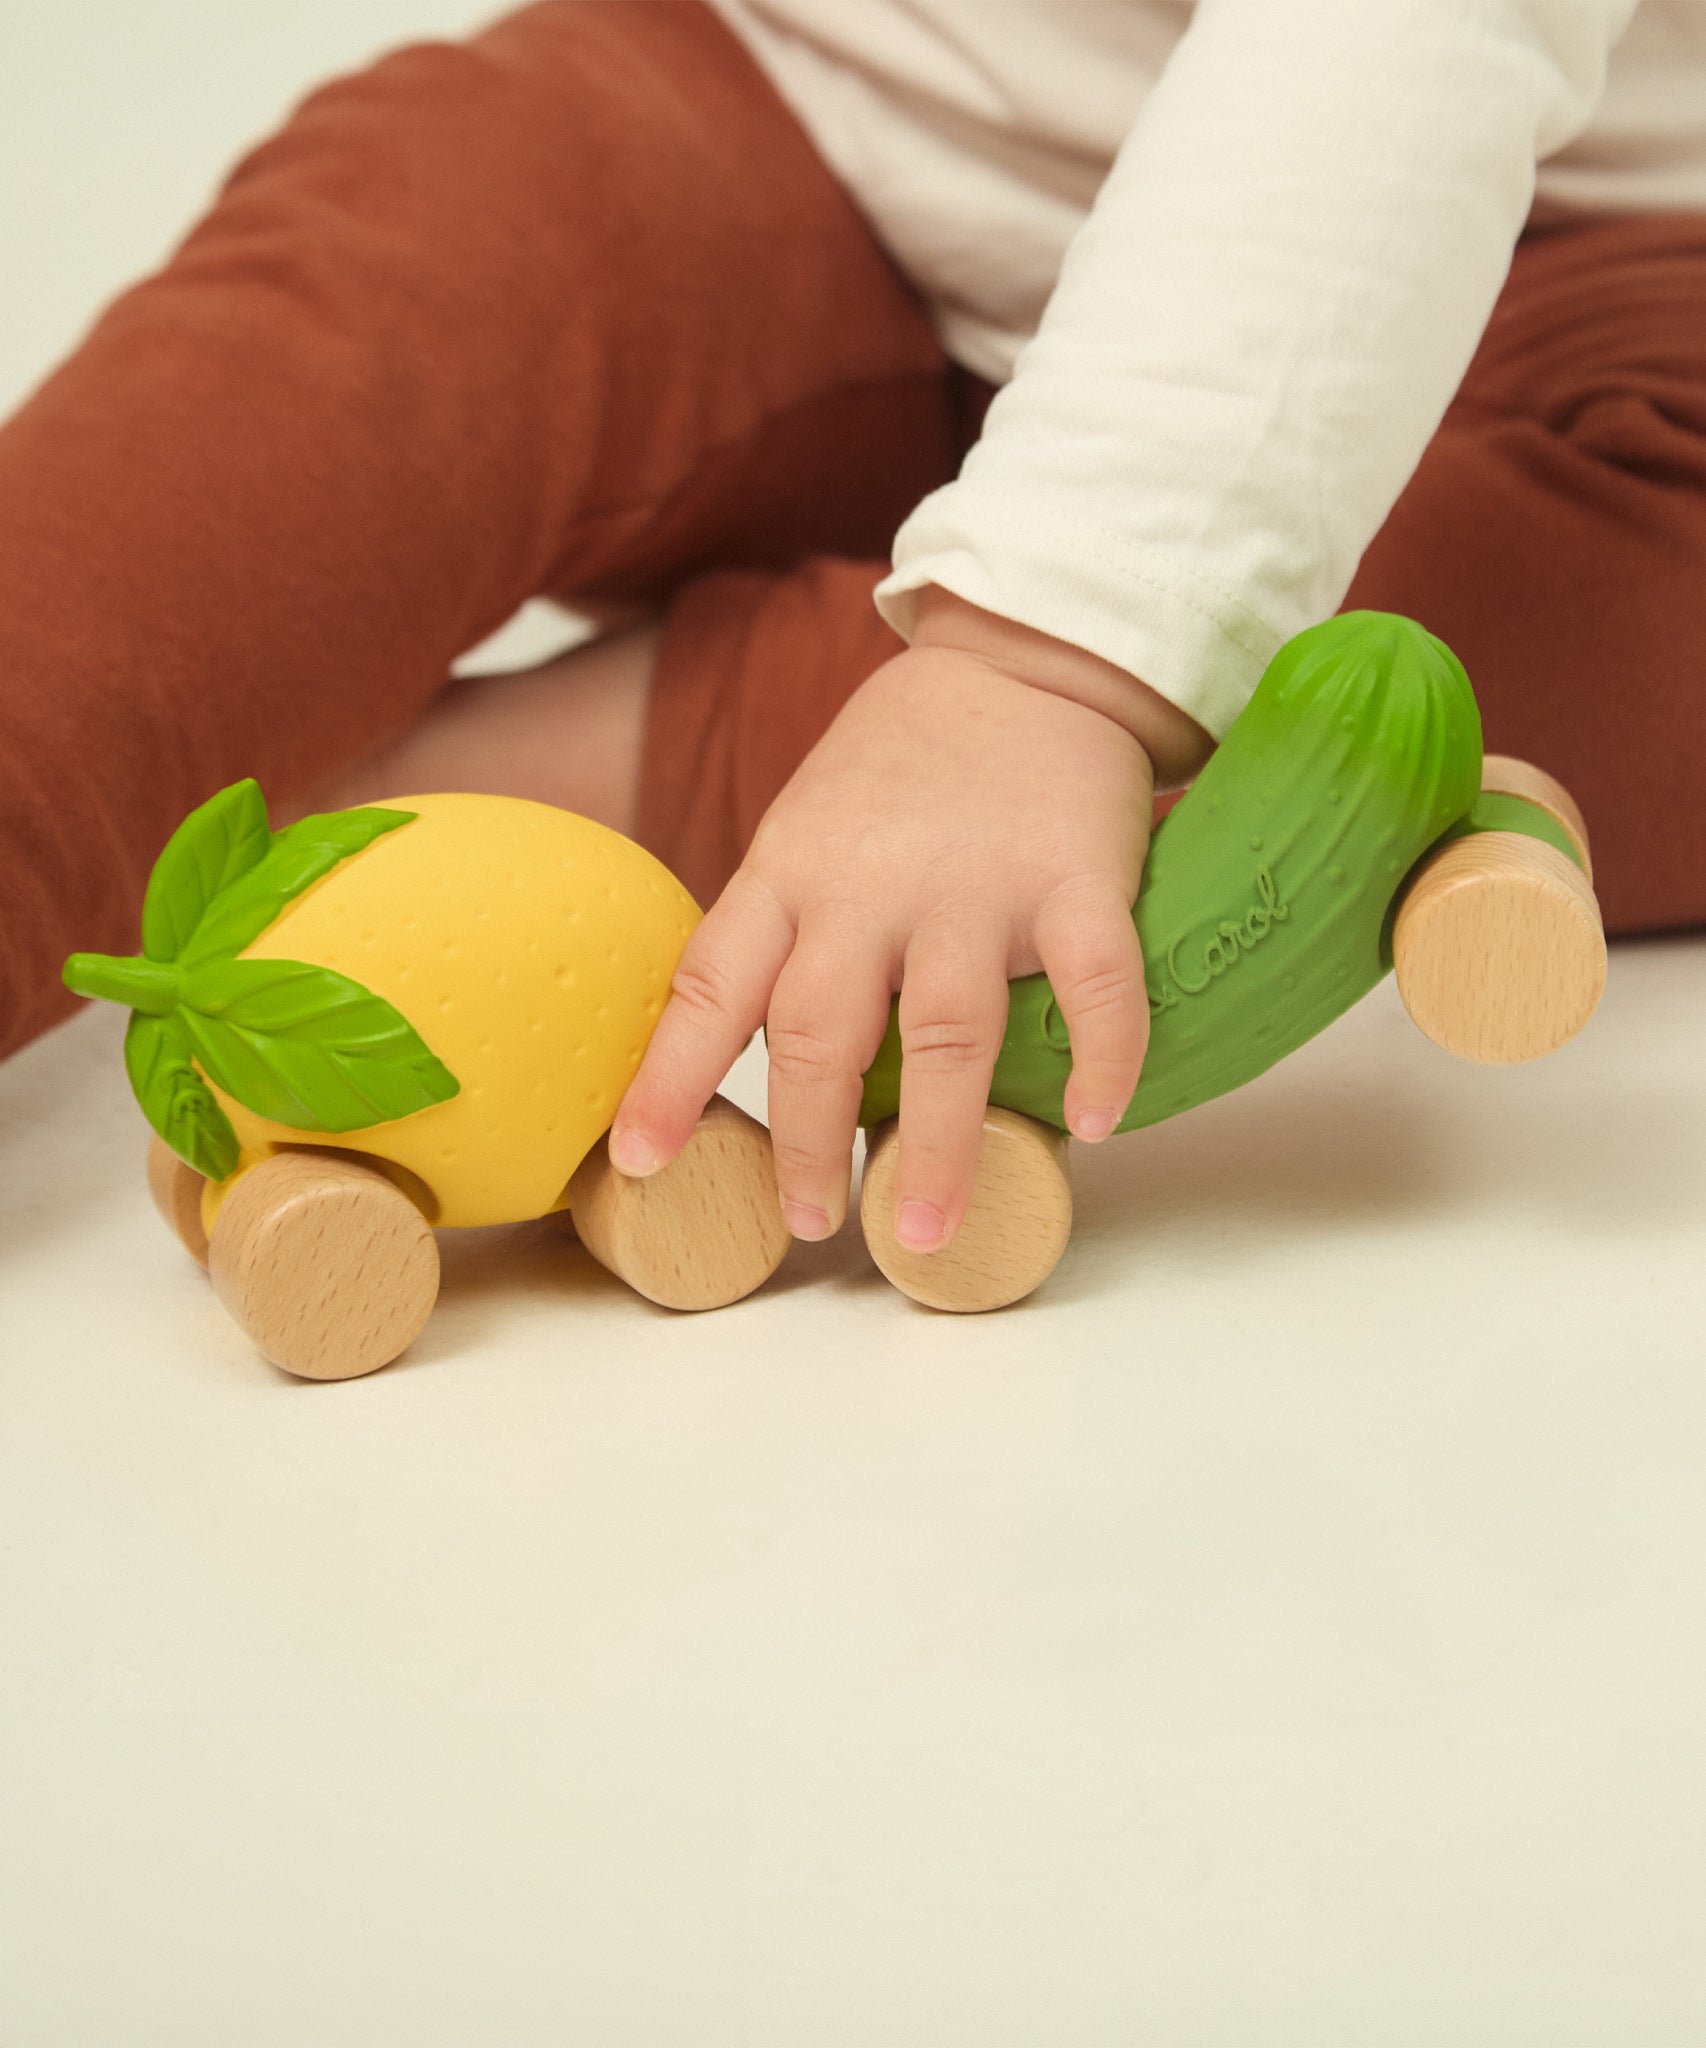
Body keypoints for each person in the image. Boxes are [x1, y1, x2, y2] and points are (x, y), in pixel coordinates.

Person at [1, 0, 1702, 1259]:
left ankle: (508, 768)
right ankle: (100, 729)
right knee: (414, 272)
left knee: (1636, 631)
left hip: (1581, 248)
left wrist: (1044, 655)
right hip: (846, 111)